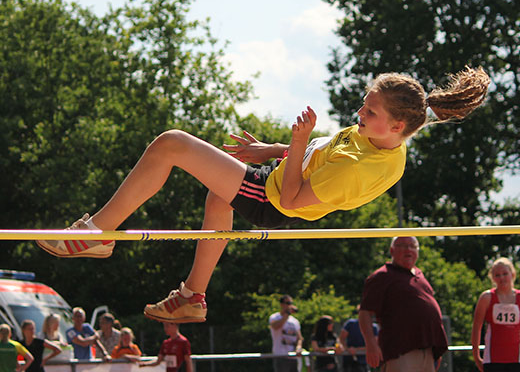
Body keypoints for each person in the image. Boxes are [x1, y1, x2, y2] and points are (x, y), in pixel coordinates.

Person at [36, 67, 490, 324]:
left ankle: (100, 232)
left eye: (368, 111)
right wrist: (270, 150)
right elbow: (320, 151)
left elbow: (292, 198)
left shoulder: (362, 168)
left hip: (280, 199)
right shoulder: (378, 135)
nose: (359, 112)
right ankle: (193, 296)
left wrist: (290, 147)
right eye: (364, 103)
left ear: (396, 127)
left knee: (171, 143)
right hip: (276, 179)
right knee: (217, 198)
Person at [359, 236, 448, 371]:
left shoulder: (419, 274)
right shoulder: (382, 276)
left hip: (427, 351)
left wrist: (436, 347)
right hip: (400, 351)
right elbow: (365, 312)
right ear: (392, 250)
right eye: (403, 245)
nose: (408, 250)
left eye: (413, 246)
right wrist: (371, 344)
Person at [471, 257, 520, 372]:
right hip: (492, 360)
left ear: (513, 274)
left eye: (505, 273)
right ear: (493, 278)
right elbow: (476, 328)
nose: (502, 278)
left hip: (517, 360)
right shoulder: (486, 298)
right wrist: (477, 357)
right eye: (497, 275)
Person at [269, 295, 303, 372]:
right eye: (287, 303)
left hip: (293, 357)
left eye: (291, 303)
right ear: (281, 304)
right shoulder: (274, 317)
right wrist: (286, 314)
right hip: (281, 356)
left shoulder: (295, 321)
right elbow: (276, 326)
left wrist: (299, 347)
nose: (290, 305)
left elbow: (299, 338)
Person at [339, 305, 377, 372]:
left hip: (363, 361)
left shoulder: (374, 327)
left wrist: (356, 350)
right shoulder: (350, 324)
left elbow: (375, 344)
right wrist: (347, 349)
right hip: (349, 361)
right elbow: (341, 339)